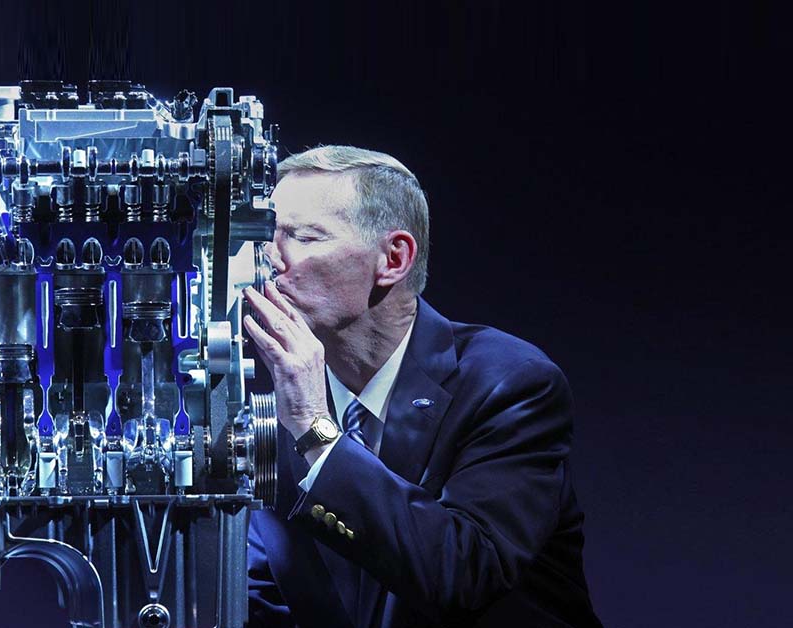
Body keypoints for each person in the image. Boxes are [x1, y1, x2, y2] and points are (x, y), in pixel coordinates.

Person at [243, 146, 602, 627]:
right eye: (266, 236)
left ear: (394, 258)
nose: (268, 259)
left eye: (304, 237)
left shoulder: (512, 384)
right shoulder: (280, 411)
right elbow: (261, 597)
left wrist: (316, 431)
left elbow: (462, 572)